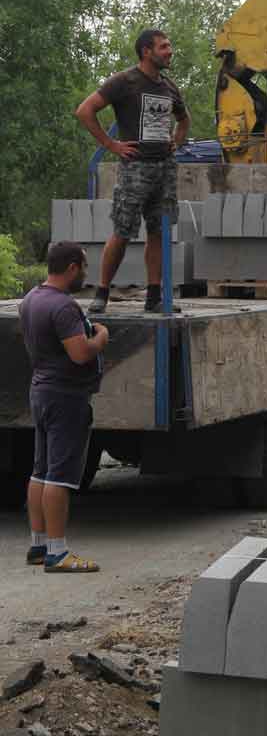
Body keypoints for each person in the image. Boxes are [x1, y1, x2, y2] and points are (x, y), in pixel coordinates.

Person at [75, 29, 190, 314]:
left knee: (158, 230)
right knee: (123, 230)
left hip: (164, 168)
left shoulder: (169, 87)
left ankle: (154, 296)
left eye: (169, 45)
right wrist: (111, 144)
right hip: (135, 167)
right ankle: (102, 291)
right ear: (146, 52)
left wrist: (176, 142)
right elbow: (85, 110)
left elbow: (184, 118)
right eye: (163, 47)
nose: (169, 51)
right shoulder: (125, 81)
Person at [20, 241, 108, 572]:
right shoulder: (63, 307)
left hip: (41, 389)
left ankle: (38, 545)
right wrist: (101, 336)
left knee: (40, 471)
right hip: (65, 397)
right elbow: (80, 353)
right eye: (84, 267)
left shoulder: (32, 298)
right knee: (60, 476)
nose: (85, 273)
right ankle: (58, 553)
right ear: (72, 267)